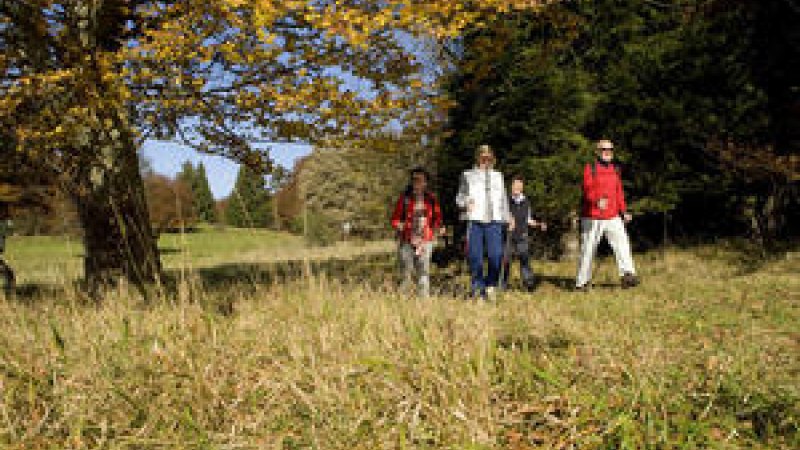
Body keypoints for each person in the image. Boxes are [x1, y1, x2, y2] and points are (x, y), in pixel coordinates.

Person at [576, 139, 640, 290]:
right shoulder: (590, 168)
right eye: (604, 149)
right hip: (593, 216)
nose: (608, 152)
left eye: (610, 150)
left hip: (612, 216)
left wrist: (623, 211)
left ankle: (627, 275)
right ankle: (582, 283)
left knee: (622, 244)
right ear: (597, 152)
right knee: (588, 250)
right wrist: (597, 200)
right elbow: (588, 188)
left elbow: (619, 192)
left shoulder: (615, 169)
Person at [456, 144, 511, 299]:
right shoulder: (467, 175)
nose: (485, 160)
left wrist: (508, 217)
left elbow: (504, 199)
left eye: (488, 158)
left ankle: (490, 284)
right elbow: (459, 197)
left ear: (492, 159)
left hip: (495, 220)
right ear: (478, 157)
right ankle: (477, 289)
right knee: (475, 257)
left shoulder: (498, 176)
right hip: (475, 219)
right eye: (482, 157)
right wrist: (465, 202)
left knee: (496, 256)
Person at [391, 167, 443, 298]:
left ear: (426, 182)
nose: (418, 182)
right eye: (415, 180)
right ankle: (403, 299)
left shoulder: (431, 199)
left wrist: (438, 228)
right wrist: (399, 225)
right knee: (406, 270)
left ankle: (423, 300)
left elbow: (437, 219)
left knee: (424, 271)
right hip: (407, 239)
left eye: (421, 180)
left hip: (425, 240)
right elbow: (395, 219)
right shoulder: (405, 199)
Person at [503, 175, 547, 290]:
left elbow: (528, 219)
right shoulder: (505, 200)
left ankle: (528, 284)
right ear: (511, 186)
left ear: (522, 187)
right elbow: (501, 216)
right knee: (506, 261)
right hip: (508, 235)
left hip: (522, 235)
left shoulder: (526, 201)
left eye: (519, 185)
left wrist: (538, 224)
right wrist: (507, 221)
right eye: (515, 185)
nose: (517, 187)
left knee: (524, 259)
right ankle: (503, 284)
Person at [0, 201, 15, 295]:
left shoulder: (3, 223)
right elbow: (10, 231)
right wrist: (9, 222)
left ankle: (8, 289)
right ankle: (9, 290)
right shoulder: (3, 224)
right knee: (7, 273)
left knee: (7, 272)